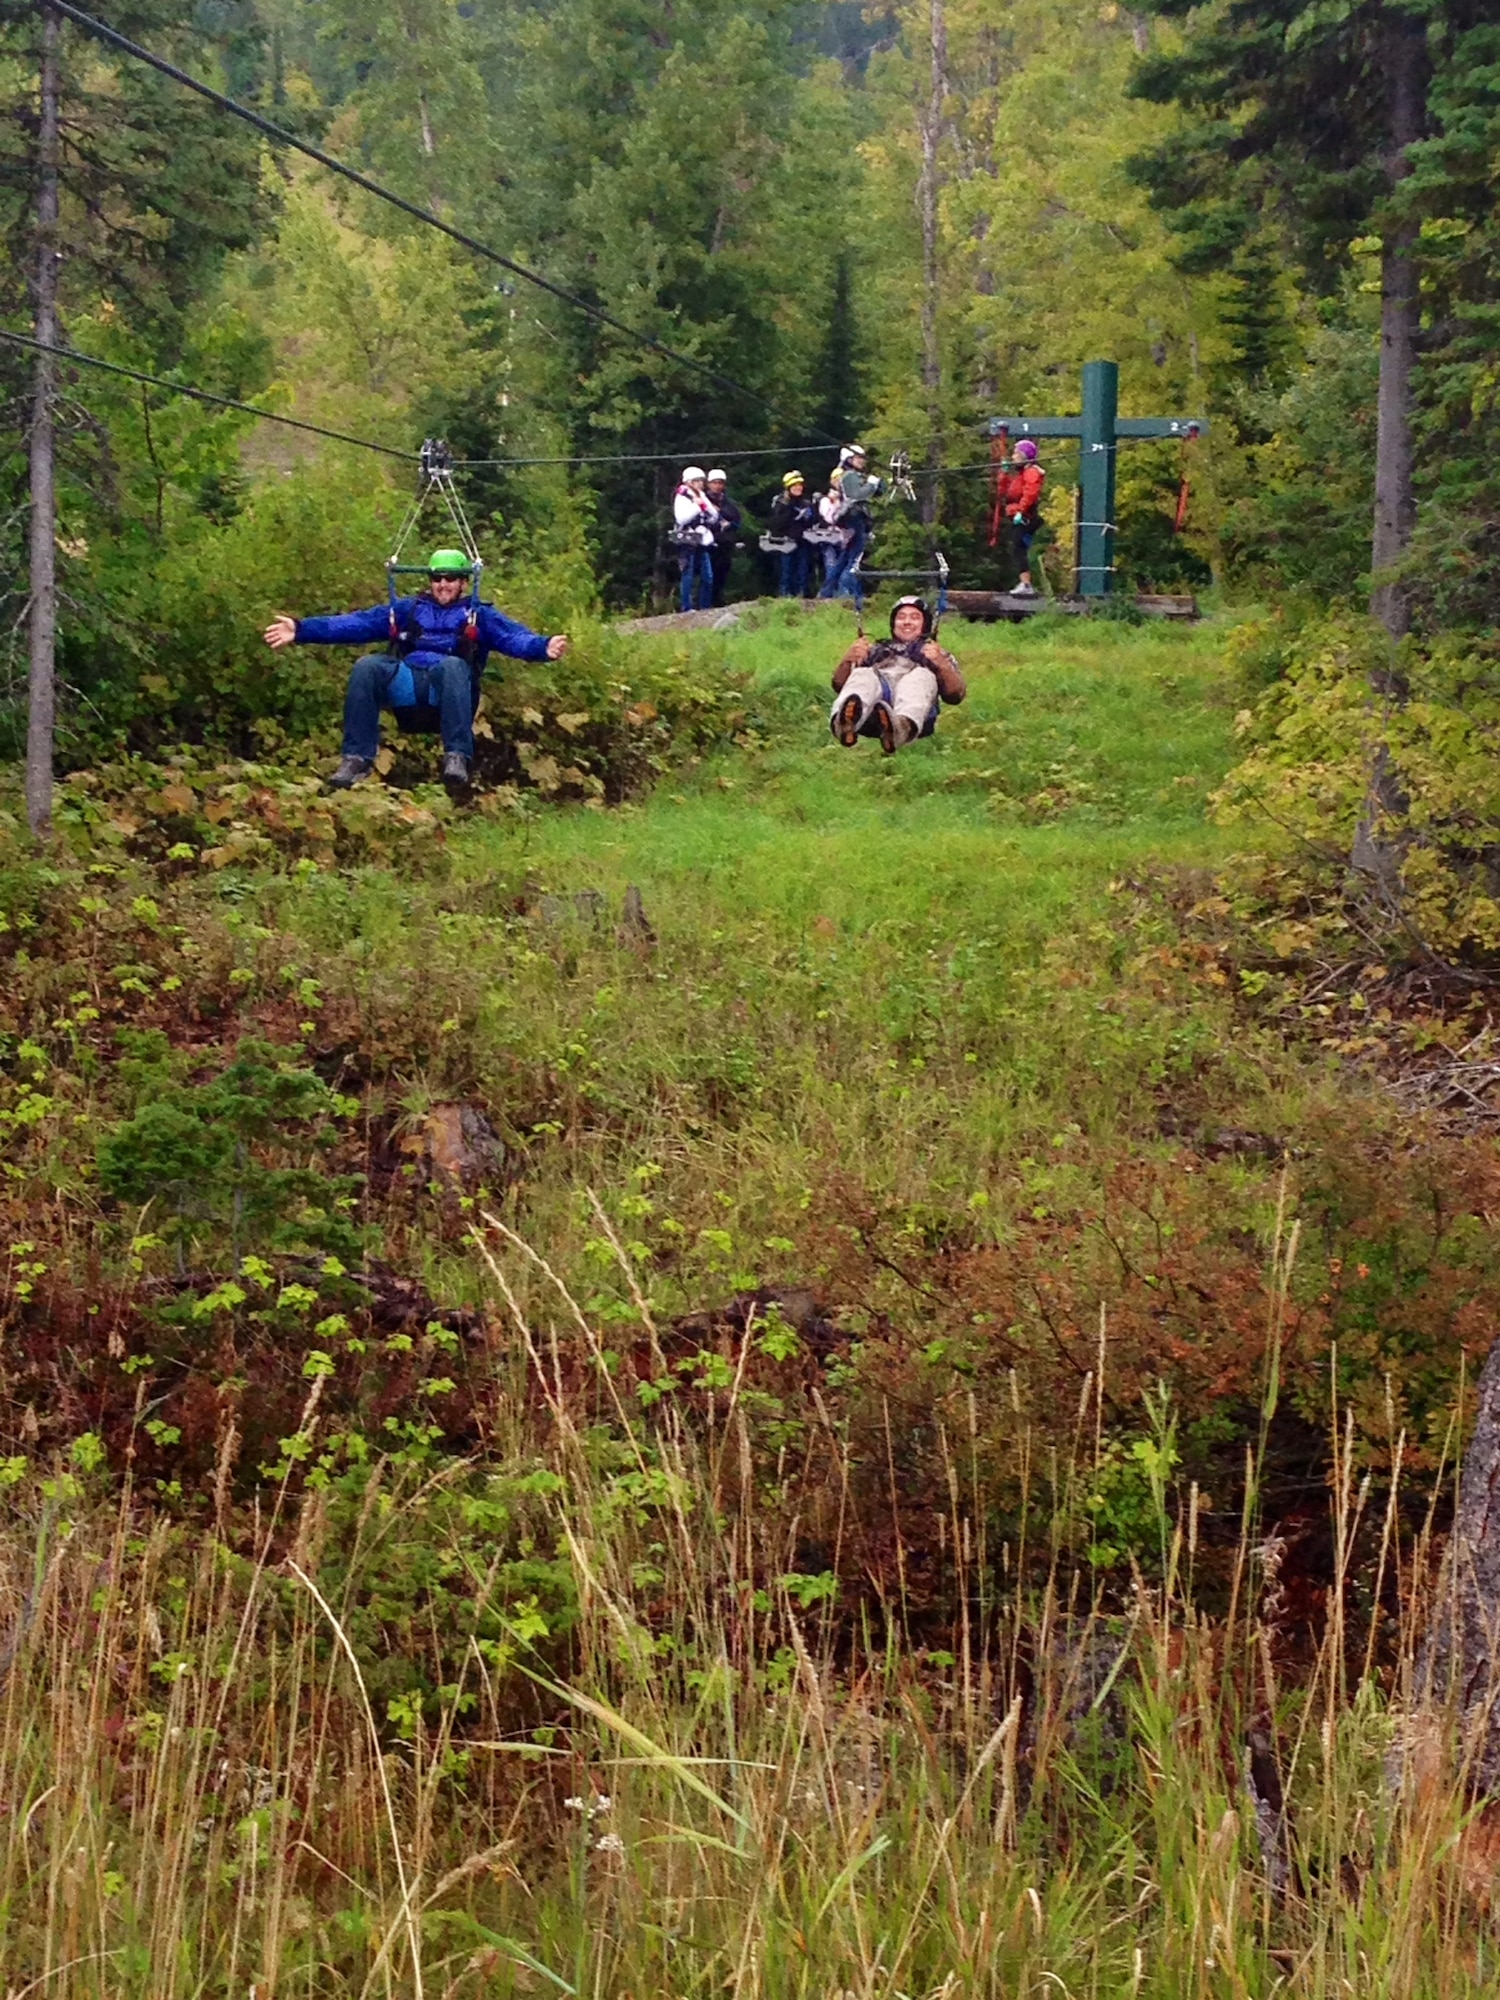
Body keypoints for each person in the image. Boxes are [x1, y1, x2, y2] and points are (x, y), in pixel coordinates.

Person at [263, 548, 569, 794]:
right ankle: (357, 758)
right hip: (410, 686)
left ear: (463, 582)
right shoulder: (409, 610)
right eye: (437, 578)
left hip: (448, 689)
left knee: (451, 665)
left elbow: (513, 638)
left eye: (450, 579)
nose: (443, 585)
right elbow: (356, 623)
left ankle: (457, 756)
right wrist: (301, 630)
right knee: (368, 666)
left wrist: (543, 647)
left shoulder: (477, 615)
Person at [830, 595, 966, 755]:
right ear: (893, 624)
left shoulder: (936, 654)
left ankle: (901, 726)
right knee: (863, 673)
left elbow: (955, 696)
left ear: (925, 624)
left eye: (915, 617)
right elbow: (839, 685)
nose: (907, 622)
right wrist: (848, 659)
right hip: (876, 700)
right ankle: (844, 724)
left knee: (922, 675)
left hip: (914, 700)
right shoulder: (875, 650)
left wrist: (941, 663)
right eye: (901, 617)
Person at [819, 444, 884, 599]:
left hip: (853, 520)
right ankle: (845, 593)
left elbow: (875, 492)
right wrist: (871, 484)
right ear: (848, 459)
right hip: (854, 519)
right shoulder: (849, 476)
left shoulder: (853, 475)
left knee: (844, 559)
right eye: (858, 457)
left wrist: (879, 485)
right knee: (854, 559)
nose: (862, 461)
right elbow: (857, 495)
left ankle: (827, 592)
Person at [997, 437, 1046, 596]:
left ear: (1024, 456)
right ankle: (1025, 582)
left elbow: (1030, 494)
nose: (1013, 456)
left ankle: (1026, 584)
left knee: (1019, 548)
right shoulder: (1019, 475)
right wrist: (1004, 473)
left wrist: (1021, 511)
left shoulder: (1031, 472)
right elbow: (1005, 491)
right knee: (1017, 548)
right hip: (1017, 514)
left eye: (1016, 453)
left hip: (1026, 516)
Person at [671, 466, 719, 611]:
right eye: (696, 481)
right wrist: (697, 507)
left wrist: (707, 509)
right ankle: (686, 607)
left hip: (702, 539)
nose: (700, 484)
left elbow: (713, 515)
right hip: (688, 540)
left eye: (701, 481)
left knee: (708, 577)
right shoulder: (682, 497)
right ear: (689, 482)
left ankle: (705, 606)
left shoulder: (701, 495)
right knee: (688, 574)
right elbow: (681, 518)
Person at [765, 471, 814, 597]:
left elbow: (813, 521)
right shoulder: (781, 503)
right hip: (786, 542)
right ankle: (785, 595)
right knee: (786, 570)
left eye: (800, 485)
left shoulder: (806, 503)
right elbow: (775, 523)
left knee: (802, 571)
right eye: (795, 485)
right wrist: (790, 511)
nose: (798, 488)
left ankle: (801, 595)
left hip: (803, 541)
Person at [704, 470, 743, 606]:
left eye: (720, 483)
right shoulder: (704, 501)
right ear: (708, 484)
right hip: (709, 544)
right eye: (715, 483)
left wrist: (725, 519)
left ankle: (718, 601)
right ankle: (705, 603)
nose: (717, 486)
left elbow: (737, 521)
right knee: (708, 576)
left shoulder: (729, 503)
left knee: (722, 575)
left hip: (725, 544)